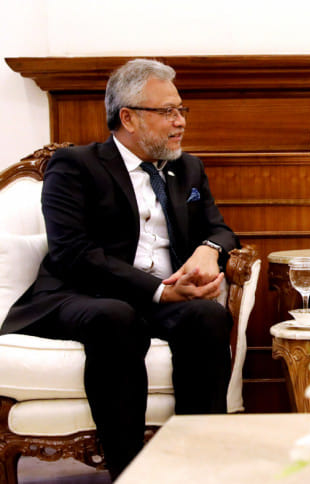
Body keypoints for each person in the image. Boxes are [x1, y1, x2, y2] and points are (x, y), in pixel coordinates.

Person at [1, 59, 238, 479]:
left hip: (161, 298)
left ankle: (198, 466)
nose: (180, 121)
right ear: (128, 117)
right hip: (81, 294)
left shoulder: (188, 168)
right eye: (168, 111)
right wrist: (160, 291)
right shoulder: (75, 165)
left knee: (208, 316)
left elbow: (220, 229)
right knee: (116, 316)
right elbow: (73, 253)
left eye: (181, 110)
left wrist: (208, 250)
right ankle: (129, 472)